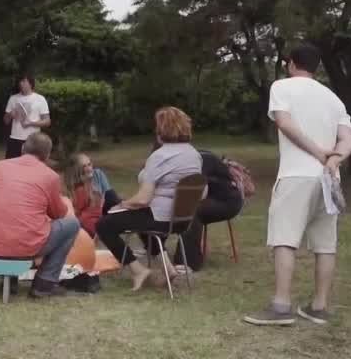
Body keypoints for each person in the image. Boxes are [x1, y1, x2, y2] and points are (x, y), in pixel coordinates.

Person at [244, 44, 351, 327]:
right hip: (328, 180)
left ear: (291, 64)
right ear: (316, 66)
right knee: (325, 244)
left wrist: (319, 153)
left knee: (284, 238)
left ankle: (281, 306)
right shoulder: (334, 98)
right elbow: (348, 139)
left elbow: (284, 123)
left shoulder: (282, 86)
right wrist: (334, 160)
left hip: (296, 176)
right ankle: (319, 307)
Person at [94, 107, 203, 291]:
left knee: (104, 225)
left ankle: (138, 270)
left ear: (162, 129)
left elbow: (143, 199)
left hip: (160, 218)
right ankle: (168, 270)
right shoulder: (194, 154)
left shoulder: (159, 156)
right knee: (141, 220)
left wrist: (122, 204)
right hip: (182, 220)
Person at [0, 132, 80, 298]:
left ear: (23, 147)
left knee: (15, 223)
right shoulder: (50, 176)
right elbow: (58, 214)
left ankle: (10, 281)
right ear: (47, 155)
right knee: (71, 225)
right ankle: (44, 285)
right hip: (25, 245)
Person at [171, 150, 246, 271]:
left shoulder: (201, 160)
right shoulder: (188, 160)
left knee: (191, 210)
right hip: (212, 198)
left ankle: (188, 263)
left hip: (228, 201)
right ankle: (155, 250)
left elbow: (200, 193)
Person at [3, 74, 50, 159]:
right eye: (20, 81)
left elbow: (47, 121)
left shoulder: (40, 99)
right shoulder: (13, 98)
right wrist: (10, 115)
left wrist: (31, 123)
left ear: (31, 83)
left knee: (31, 168)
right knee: (13, 167)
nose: (21, 83)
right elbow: (6, 121)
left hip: (33, 141)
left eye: (24, 81)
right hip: (15, 139)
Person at [64, 153, 103, 238]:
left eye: (89, 164)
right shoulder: (84, 189)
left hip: (88, 226)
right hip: (89, 226)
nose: (89, 168)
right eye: (84, 166)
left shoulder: (87, 188)